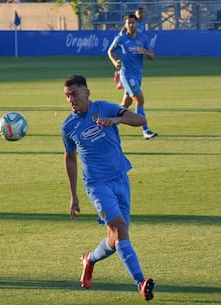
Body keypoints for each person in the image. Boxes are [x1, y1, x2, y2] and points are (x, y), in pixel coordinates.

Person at [61, 75, 155, 301]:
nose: (71, 100)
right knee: (120, 229)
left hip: (121, 178)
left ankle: (89, 259)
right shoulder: (68, 126)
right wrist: (73, 195)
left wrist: (116, 120)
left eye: (74, 94)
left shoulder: (105, 107)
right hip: (97, 186)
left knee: (116, 240)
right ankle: (141, 282)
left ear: (87, 93)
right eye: (67, 96)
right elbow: (70, 159)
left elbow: (139, 120)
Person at [108, 14, 157, 140]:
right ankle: (146, 130)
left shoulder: (143, 38)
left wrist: (146, 52)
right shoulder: (121, 39)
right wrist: (115, 62)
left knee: (126, 103)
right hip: (126, 74)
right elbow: (110, 51)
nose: (130, 25)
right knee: (139, 100)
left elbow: (152, 56)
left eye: (132, 22)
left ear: (137, 24)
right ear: (125, 24)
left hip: (137, 75)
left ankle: (110, 122)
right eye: (128, 23)